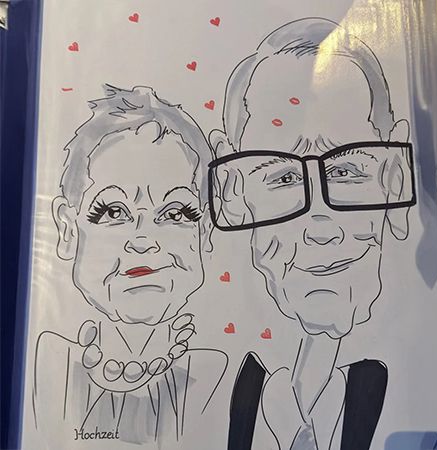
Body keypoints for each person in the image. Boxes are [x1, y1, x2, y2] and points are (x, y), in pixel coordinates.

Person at [208, 18, 416, 450]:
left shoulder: (419, 387)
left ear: (395, 178)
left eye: (346, 171)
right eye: (283, 178)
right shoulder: (223, 391)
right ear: (232, 191)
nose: (321, 229)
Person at [33, 85, 227, 448]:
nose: (143, 239)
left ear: (204, 234)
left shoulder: (218, 375)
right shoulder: (48, 361)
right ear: (68, 229)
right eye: (113, 212)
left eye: (174, 214)